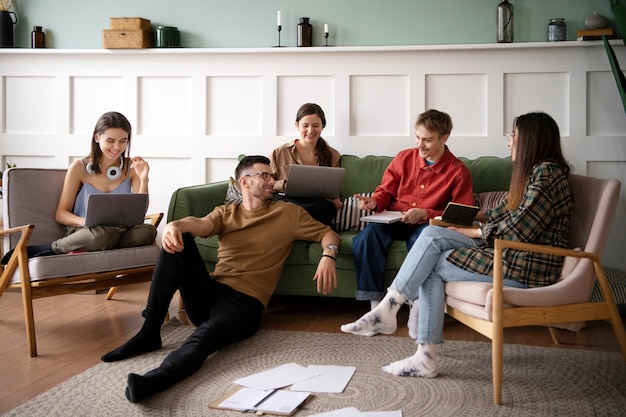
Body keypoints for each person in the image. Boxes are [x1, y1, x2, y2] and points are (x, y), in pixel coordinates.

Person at [341, 111, 574, 379]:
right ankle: (405, 332)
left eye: (514, 137)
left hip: (525, 264)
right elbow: (507, 215)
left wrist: (474, 232)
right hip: (513, 255)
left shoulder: (545, 174)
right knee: (426, 244)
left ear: (532, 140)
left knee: (429, 247)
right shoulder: (537, 173)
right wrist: (473, 218)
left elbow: (518, 231)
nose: (509, 142)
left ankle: (402, 327)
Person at [101, 155, 341, 403]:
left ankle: (155, 380)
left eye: (272, 176)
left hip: (244, 305)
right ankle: (150, 331)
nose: (272, 181)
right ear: (244, 182)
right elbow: (200, 224)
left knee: (202, 339)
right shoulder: (227, 213)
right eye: (265, 175)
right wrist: (174, 226)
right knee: (178, 242)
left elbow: (328, 234)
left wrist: (328, 255)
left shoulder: (287, 213)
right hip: (210, 294)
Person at [351, 109, 474, 324]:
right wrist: (375, 202)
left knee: (423, 242)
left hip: (426, 225)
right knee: (367, 236)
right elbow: (386, 191)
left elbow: (461, 214)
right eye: (417, 137)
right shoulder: (404, 158)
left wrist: (426, 214)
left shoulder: (458, 171)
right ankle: (376, 307)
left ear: (444, 138)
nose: (420, 145)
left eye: (427, 140)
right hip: (396, 219)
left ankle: (417, 304)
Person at [1, 111, 156, 261]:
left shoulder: (132, 168)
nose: (117, 147)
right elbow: (61, 214)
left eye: (123, 141)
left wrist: (144, 179)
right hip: (87, 232)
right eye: (110, 141)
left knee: (148, 231)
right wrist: (86, 221)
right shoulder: (79, 168)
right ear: (97, 137)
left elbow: (139, 214)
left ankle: (83, 248)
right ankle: (53, 248)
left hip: (120, 231)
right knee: (104, 235)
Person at [269, 102, 342, 225]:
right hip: (287, 200)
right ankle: (307, 226)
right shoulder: (279, 152)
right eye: (305, 126)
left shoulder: (333, 155)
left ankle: (297, 223)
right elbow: (266, 183)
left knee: (327, 208)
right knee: (282, 207)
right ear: (297, 125)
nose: (310, 130)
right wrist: (284, 184)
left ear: (322, 126)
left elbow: (334, 189)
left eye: (315, 125)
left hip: (316, 203)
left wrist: (336, 201)